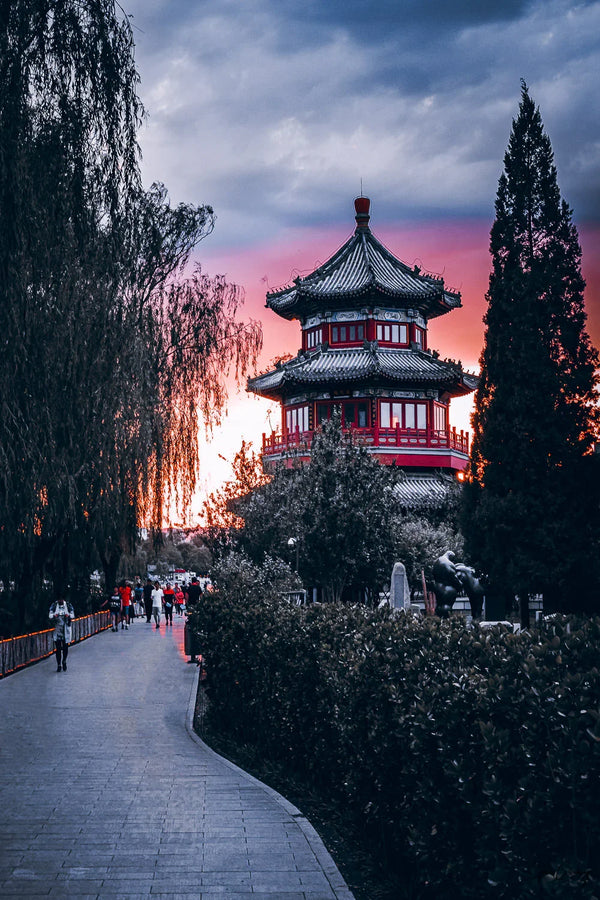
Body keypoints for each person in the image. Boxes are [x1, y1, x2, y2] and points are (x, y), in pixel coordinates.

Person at [49, 596, 75, 672]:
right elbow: (50, 615)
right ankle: (58, 664)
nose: (60, 600)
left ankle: (64, 661)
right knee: (58, 648)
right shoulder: (54, 605)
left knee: (65, 647)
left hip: (65, 628)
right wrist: (54, 616)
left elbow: (73, 615)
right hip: (57, 629)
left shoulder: (68, 605)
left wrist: (68, 616)